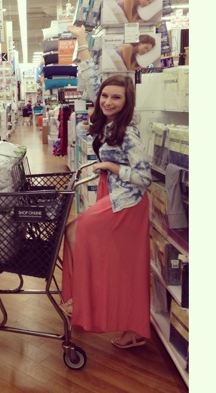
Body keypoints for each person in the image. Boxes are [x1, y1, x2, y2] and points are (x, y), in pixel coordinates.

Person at [61, 24, 152, 349]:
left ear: (127, 102)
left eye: (116, 97)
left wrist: (112, 166)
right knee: (120, 264)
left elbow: (144, 178)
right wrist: (81, 40)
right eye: (105, 96)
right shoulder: (108, 121)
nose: (108, 101)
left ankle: (84, 301)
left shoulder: (128, 132)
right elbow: (90, 82)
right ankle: (115, 319)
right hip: (113, 196)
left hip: (128, 203)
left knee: (78, 233)